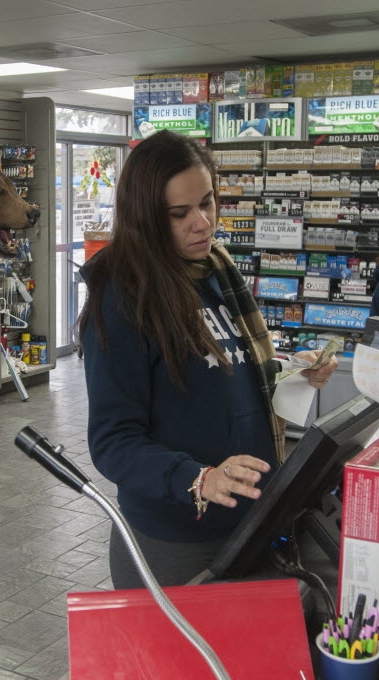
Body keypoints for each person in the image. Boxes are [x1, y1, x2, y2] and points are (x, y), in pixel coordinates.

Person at [77, 130, 337, 589]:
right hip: (176, 545)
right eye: (179, 213)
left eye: (208, 202)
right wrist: (198, 478)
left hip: (249, 522)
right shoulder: (122, 299)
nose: (202, 223)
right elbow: (113, 442)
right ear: (144, 218)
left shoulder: (216, 272)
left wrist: (293, 371)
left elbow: (226, 380)